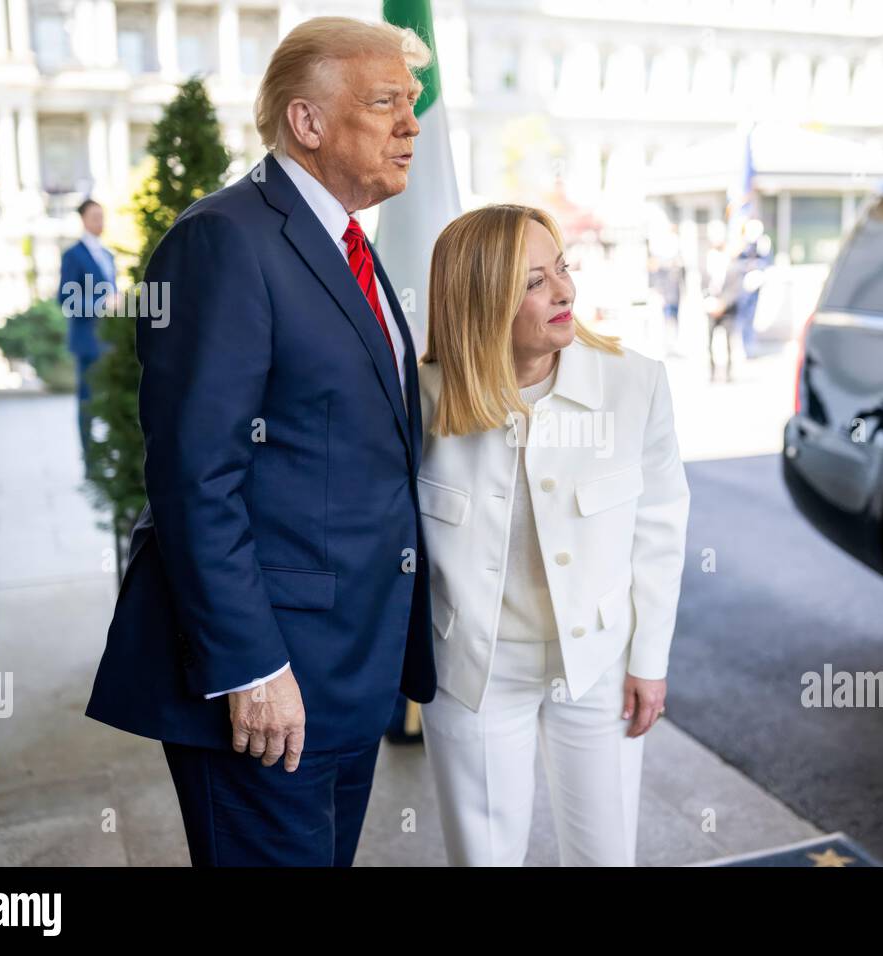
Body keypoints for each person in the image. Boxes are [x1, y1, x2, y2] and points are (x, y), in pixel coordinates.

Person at [85, 16, 436, 867]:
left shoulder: (347, 241)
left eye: (412, 103)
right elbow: (195, 476)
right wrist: (250, 669)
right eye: (385, 101)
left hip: (345, 672)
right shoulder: (223, 240)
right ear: (306, 123)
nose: (411, 124)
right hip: (268, 683)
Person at [416, 204, 691, 865]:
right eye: (533, 282)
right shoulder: (420, 398)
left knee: (604, 855)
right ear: (481, 303)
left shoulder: (635, 382)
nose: (564, 291)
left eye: (561, 268)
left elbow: (661, 527)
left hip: (596, 665)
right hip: (473, 672)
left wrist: (648, 661)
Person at [59, 198, 115, 471]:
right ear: (83, 219)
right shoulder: (73, 256)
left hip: (108, 341)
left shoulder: (108, 255)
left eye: (102, 216)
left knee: (109, 399)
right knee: (87, 400)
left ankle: (108, 456)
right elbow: (66, 300)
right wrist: (99, 305)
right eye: (95, 216)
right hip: (87, 342)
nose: (100, 222)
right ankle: (89, 462)